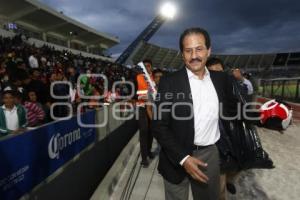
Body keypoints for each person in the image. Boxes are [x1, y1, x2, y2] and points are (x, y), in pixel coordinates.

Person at [152, 27, 238, 200]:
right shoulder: (169, 82)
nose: (194, 56)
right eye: (188, 50)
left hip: (209, 156)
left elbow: (233, 112)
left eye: (199, 49)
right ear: (182, 54)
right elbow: (159, 125)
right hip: (175, 156)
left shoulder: (222, 80)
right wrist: (183, 158)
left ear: (208, 50)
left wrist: (264, 118)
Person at [136, 59, 155, 167]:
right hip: (142, 107)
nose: (147, 68)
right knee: (144, 131)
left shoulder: (155, 77)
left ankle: (148, 150)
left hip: (153, 107)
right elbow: (134, 94)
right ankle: (144, 158)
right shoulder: (138, 77)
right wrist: (144, 96)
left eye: (148, 66)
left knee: (151, 131)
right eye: (145, 66)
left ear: (151, 67)